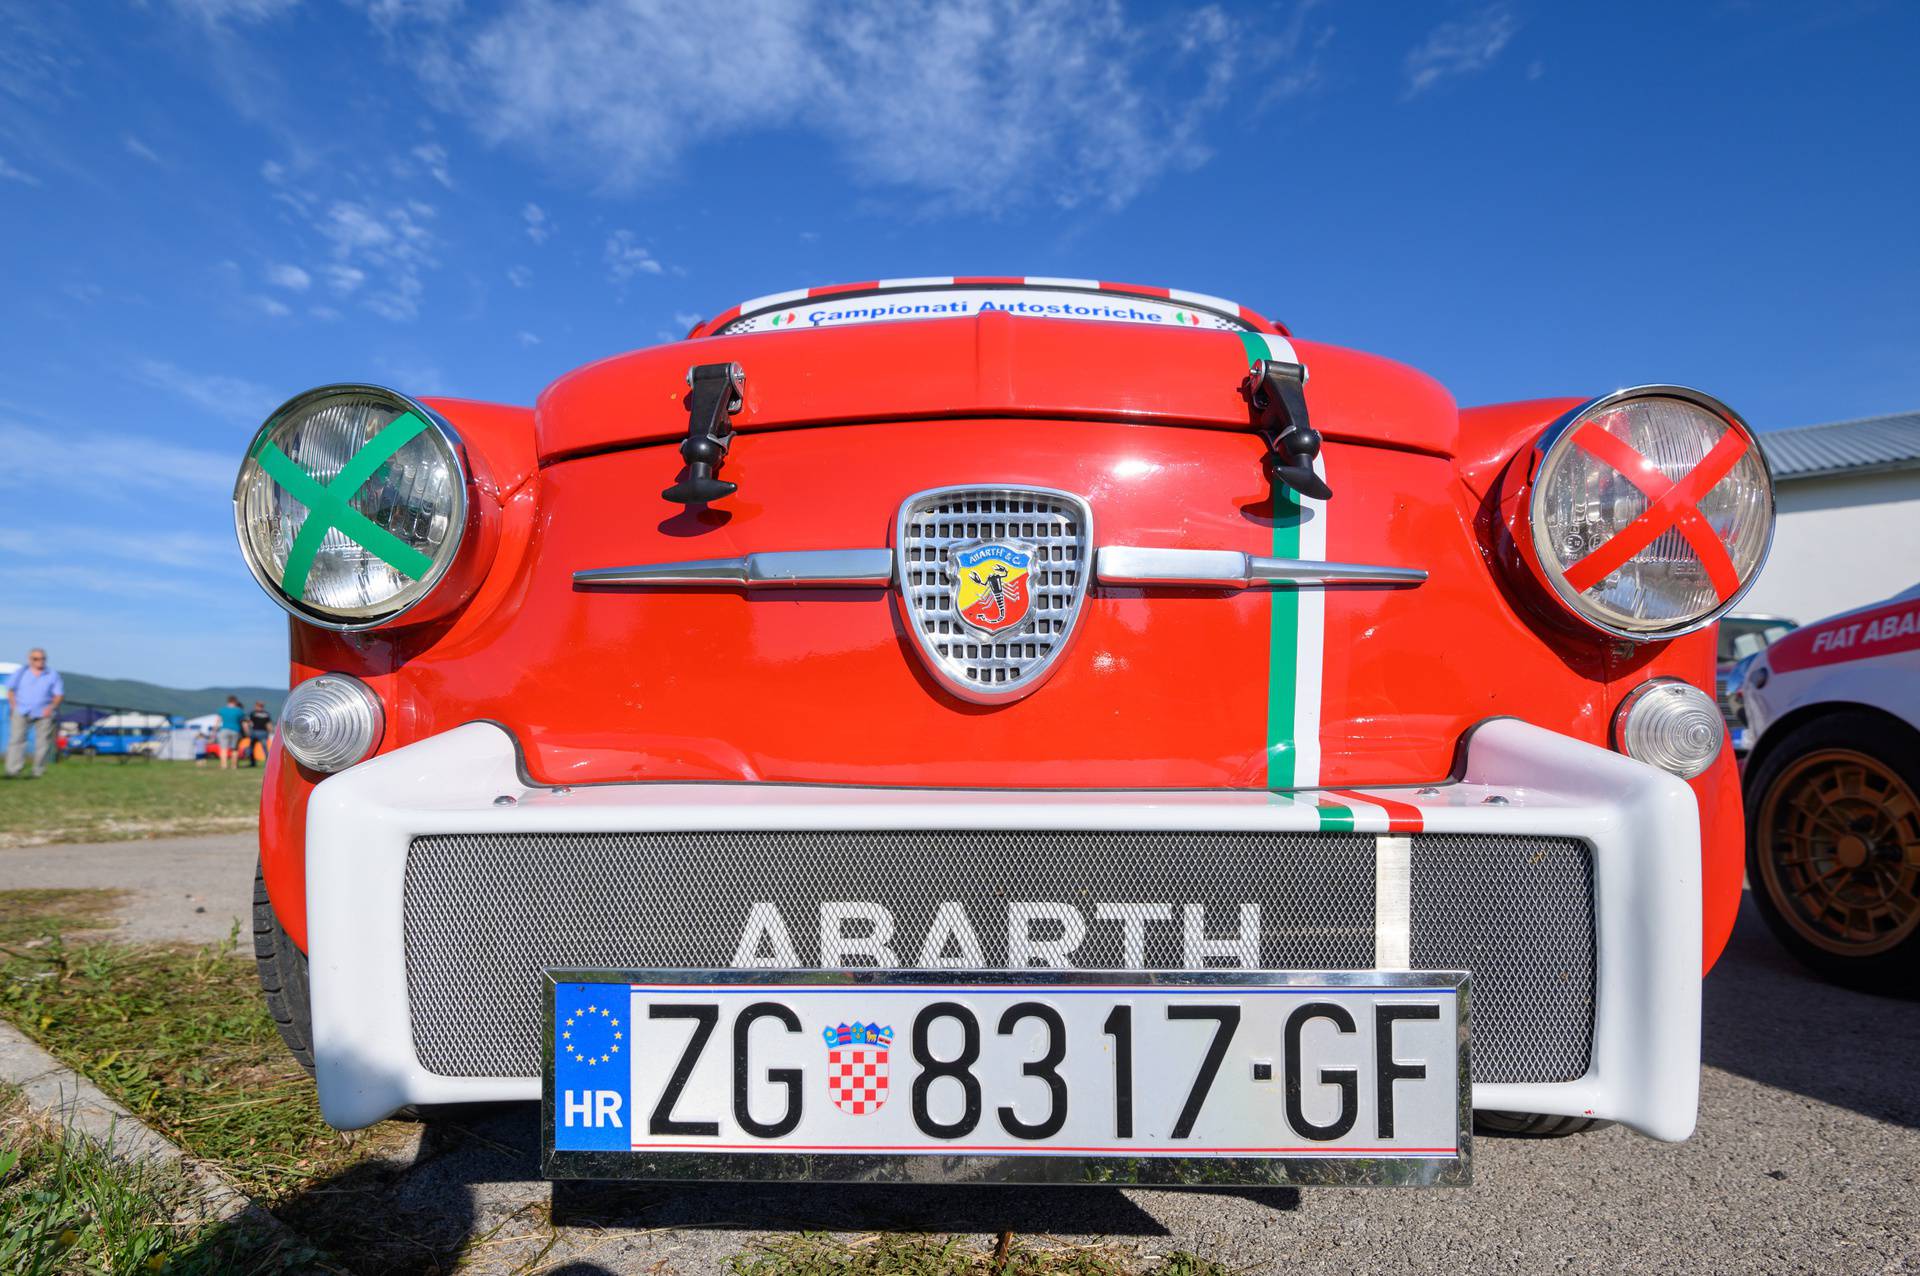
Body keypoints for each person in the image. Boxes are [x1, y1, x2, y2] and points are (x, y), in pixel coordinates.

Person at [5, 648, 64, 779]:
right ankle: (13, 770)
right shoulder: (20, 673)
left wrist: (51, 707)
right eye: (36, 659)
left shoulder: (52, 674)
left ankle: (38, 771)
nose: (40, 661)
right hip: (21, 710)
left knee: (43, 742)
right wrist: (14, 706)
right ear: (30, 660)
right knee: (17, 740)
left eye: (42, 659)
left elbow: (59, 694)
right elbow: (10, 690)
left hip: (44, 712)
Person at [216, 695, 244, 771]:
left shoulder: (222, 710)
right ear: (235, 702)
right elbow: (242, 722)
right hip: (236, 730)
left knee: (223, 749)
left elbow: (218, 721)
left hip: (224, 730)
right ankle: (234, 766)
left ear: (228, 701)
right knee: (234, 749)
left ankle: (224, 765)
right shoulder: (239, 711)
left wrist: (214, 731)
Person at [244, 700, 273, 767]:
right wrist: (270, 732)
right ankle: (268, 763)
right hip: (263, 732)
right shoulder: (266, 714)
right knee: (265, 748)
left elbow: (246, 722)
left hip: (255, 732)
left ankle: (252, 763)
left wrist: (247, 731)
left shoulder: (253, 713)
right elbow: (269, 725)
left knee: (251, 748)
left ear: (256, 706)